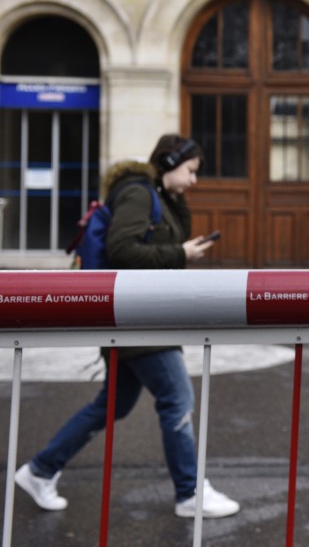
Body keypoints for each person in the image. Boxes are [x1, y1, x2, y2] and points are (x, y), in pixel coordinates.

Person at [15, 134, 240, 519]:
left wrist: (175, 203)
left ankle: (40, 470)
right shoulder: (138, 194)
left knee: (112, 405)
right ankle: (190, 493)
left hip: (134, 316)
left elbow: (167, 235)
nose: (194, 180)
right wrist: (179, 253)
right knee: (177, 400)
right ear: (169, 163)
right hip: (137, 318)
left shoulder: (155, 193)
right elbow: (122, 248)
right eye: (190, 171)